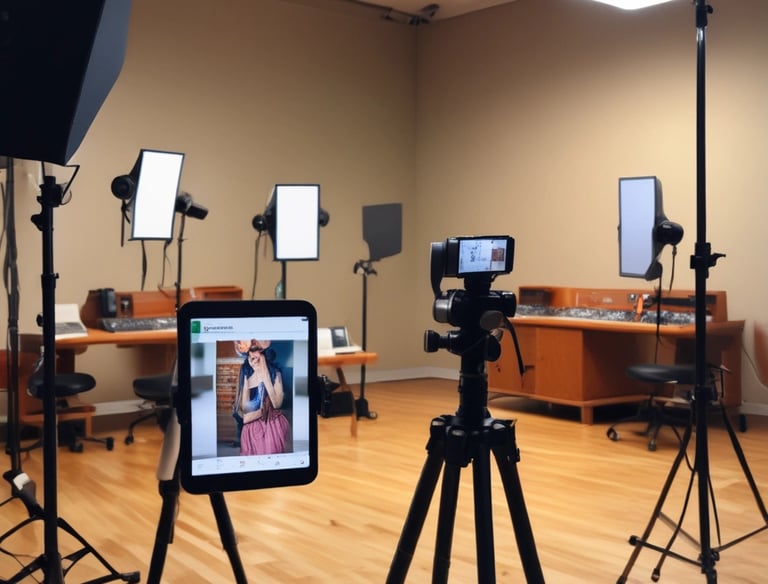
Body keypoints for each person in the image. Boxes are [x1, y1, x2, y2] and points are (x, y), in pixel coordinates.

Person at [233, 340, 291, 455]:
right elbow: (245, 409)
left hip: (272, 425)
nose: (253, 355)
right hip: (251, 426)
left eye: (257, 350)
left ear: (264, 352)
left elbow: (277, 404)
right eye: (251, 351)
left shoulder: (276, 373)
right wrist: (259, 411)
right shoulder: (246, 372)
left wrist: (264, 373)